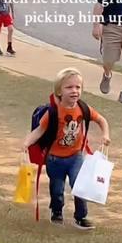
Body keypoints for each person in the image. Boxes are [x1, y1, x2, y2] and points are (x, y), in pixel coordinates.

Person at [23, 67, 111, 230]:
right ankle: (56, 211)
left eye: (78, 87)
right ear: (59, 91)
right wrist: (27, 142)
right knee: (57, 189)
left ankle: (81, 217)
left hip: (75, 157)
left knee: (79, 186)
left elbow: (101, 120)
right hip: (54, 159)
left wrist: (105, 134)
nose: (74, 91)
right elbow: (39, 130)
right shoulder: (53, 112)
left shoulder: (83, 108)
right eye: (69, 87)